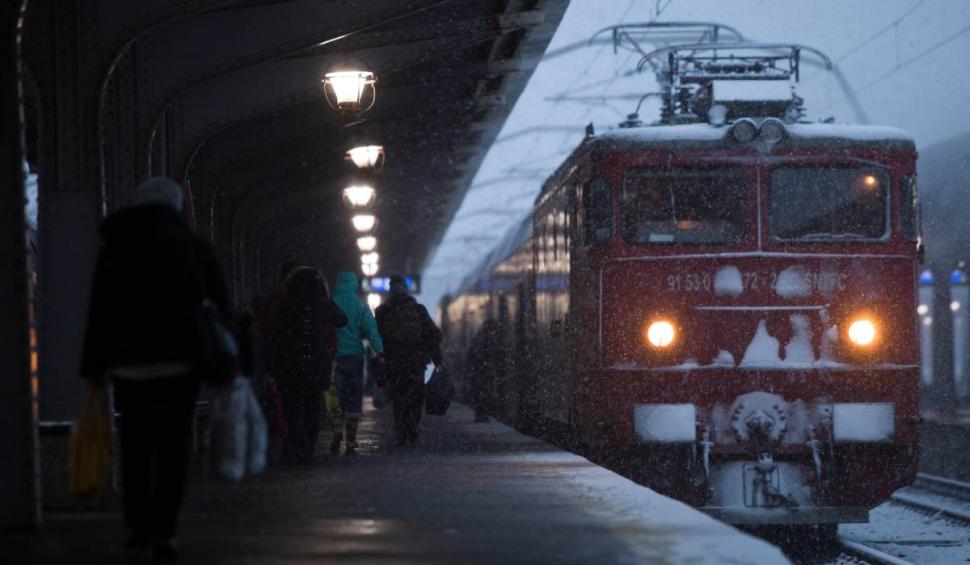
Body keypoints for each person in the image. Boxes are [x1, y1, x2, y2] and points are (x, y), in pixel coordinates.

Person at [80, 177, 229, 561]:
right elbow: (220, 304)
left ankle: (137, 527)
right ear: (176, 206)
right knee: (172, 450)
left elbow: (100, 309)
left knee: (136, 446)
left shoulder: (116, 246)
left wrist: (94, 365)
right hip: (180, 364)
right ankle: (165, 531)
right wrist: (233, 359)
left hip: (130, 366)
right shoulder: (193, 246)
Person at [268, 267, 347, 464]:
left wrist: (272, 364)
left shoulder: (287, 305)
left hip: (290, 365)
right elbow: (342, 320)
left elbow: (276, 337)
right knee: (313, 406)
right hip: (317, 366)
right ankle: (309, 444)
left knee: (293, 407)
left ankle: (296, 442)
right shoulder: (322, 304)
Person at [375, 276, 442, 445]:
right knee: (416, 396)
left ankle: (401, 428)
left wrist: (381, 357)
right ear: (406, 289)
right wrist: (437, 357)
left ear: (390, 291)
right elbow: (433, 335)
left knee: (398, 396)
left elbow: (377, 337)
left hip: (394, 362)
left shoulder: (383, 312)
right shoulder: (418, 310)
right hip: (415, 361)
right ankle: (413, 424)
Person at [330, 272, 384, 455]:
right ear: (354, 285)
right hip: (354, 357)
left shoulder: (331, 301)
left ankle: (337, 430)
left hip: (334, 358)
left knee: (335, 395)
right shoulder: (360, 305)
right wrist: (380, 351)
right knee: (354, 396)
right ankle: (351, 441)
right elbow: (371, 330)